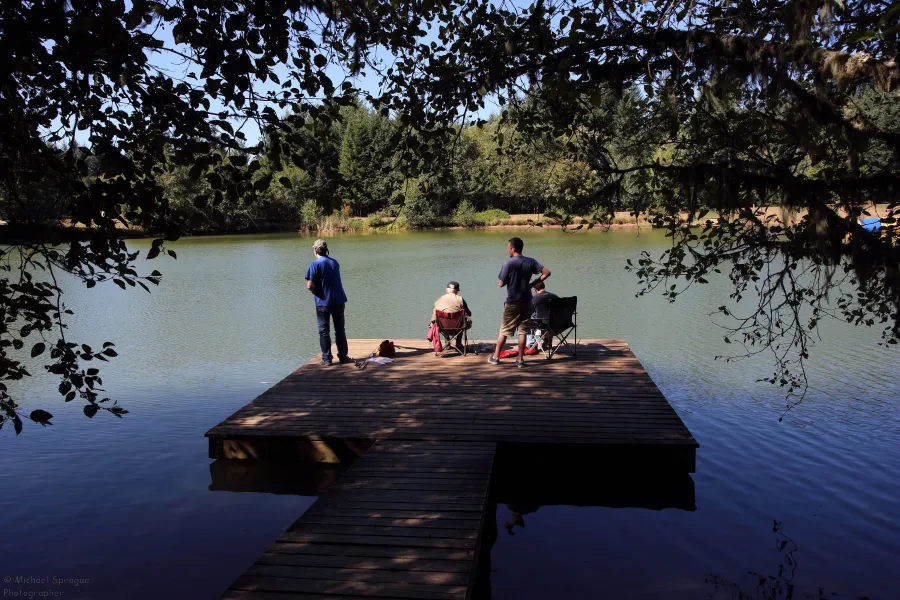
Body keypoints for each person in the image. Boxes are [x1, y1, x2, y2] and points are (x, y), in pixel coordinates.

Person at [488, 237, 550, 367]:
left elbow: (500, 284)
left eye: (508, 248)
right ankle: (520, 360)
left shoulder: (509, 263)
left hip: (512, 302)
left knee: (504, 330)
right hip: (527, 301)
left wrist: (509, 279)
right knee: (523, 331)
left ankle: (495, 357)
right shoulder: (531, 261)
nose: (508, 250)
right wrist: (533, 283)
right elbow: (546, 272)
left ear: (513, 249)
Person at [304, 239, 351, 366]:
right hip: (339, 300)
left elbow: (309, 285)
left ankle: (327, 359)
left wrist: (316, 292)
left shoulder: (315, 264)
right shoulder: (334, 263)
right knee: (340, 330)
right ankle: (343, 356)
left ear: (315, 250)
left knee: (324, 331)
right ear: (326, 250)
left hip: (323, 302)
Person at [431, 281, 472, 352]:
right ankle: (458, 343)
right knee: (463, 321)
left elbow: (434, 315)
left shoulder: (439, 299)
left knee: (439, 322)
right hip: (458, 328)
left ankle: (447, 341)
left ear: (447, 289)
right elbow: (469, 313)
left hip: (443, 329)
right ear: (457, 291)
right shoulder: (460, 299)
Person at [530, 280, 558, 349]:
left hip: (543, 326)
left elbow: (529, 311)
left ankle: (533, 345)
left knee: (527, 320)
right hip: (558, 326)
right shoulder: (555, 296)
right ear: (543, 287)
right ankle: (547, 343)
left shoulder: (534, 298)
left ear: (534, 289)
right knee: (548, 319)